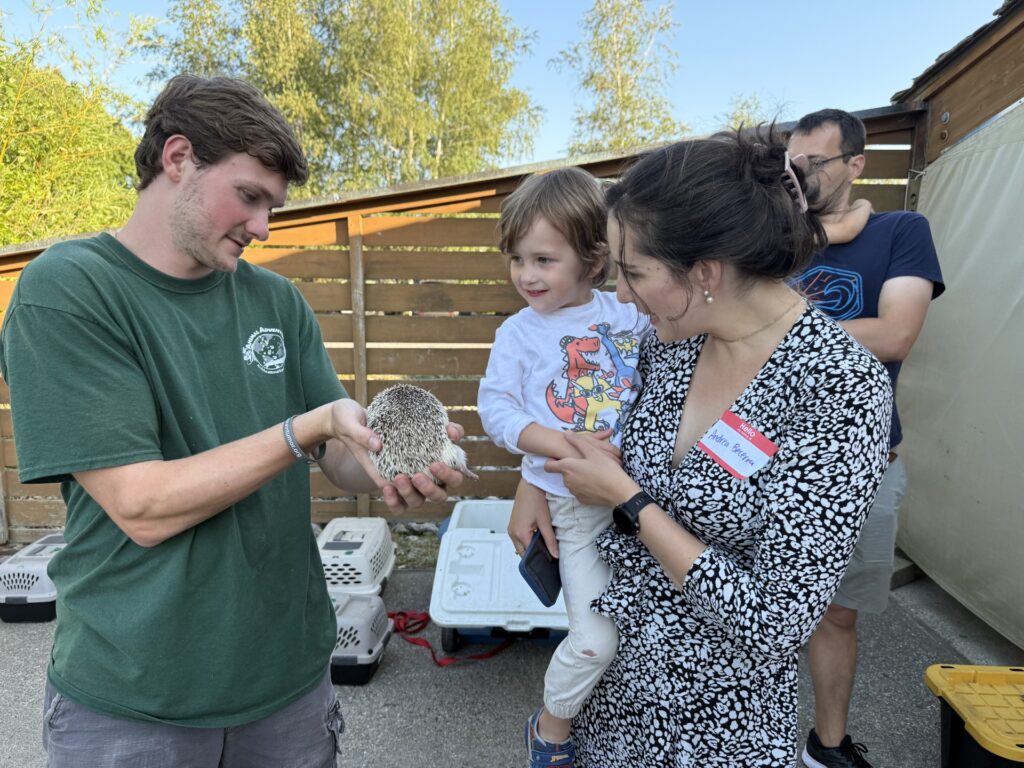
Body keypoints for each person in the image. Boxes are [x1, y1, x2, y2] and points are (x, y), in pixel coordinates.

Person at [0, 75, 464, 768]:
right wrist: (302, 430)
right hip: (135, 697)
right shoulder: (68, 291)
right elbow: (142, 505)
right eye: (249, 197)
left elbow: (334, 452)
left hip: (288, 685)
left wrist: (388, 463)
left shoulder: (277, 301)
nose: (262, 227)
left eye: (272, 206)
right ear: (178, 158)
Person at [509, 127, 894, 767]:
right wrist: (535, 483)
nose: (621, 295)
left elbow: (777, 619)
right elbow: (595, 413)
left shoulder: (840, 387)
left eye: (633, 272)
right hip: (610, 704)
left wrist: (630, 503)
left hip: (717, 726)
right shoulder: (671, 341)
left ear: (706, 272)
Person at [788, 108, 945, 768]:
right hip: (765, 460)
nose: (796, 178)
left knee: (839, 615)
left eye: (812, 165)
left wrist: (772, 329)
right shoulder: (771, 239)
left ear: (855, 164)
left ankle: (827, 747)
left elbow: (895, 334)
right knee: (736, 604)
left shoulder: (902, 232)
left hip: (863, 465)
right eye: (788, 167)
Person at [478, 167, 646, 768]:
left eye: (544, 259)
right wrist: (558, 445)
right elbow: (494, 407)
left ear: (594, 257)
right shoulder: (517, 333)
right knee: (597, 640)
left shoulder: (629, 312)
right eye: (517, 258)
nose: (526, 275)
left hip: (642, 501)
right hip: (576, 510)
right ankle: (550, 729)